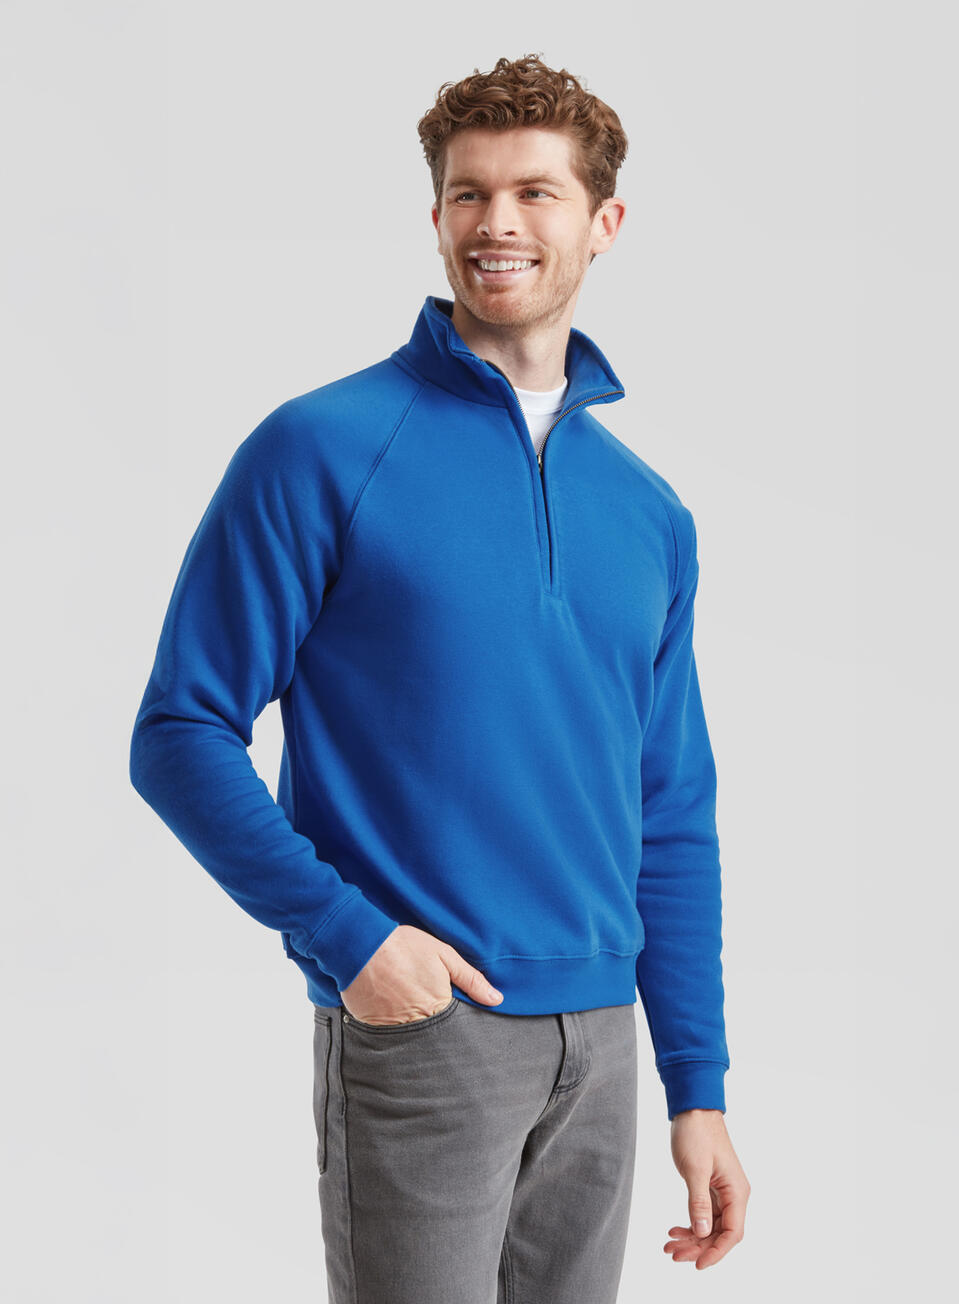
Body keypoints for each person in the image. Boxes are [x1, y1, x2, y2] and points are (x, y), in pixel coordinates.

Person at [130, 51, 750, 1303]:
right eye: (469, 194)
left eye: (534, 192)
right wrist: (351, 937)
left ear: (603, 222)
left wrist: (698, 1084)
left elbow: (669, 807)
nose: (496, 222)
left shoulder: (648, 511)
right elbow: (180, 730)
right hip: (425, 1028)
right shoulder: (322, 448)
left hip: (603, 1044)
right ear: (436, 216)